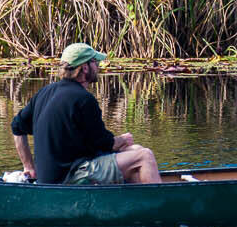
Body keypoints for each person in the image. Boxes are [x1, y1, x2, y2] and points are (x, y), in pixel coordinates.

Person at [9, 43, 161, 185]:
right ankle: (158, 207)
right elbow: (104, 144)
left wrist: (29, 167)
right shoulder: (84, 99)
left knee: (136, 150)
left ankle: (136, 204)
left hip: (50, 176)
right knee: (144, 156)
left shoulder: (44, 92)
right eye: (95, 62)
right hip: (70, 175)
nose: (98, 66)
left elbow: (17, 127)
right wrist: (122, 139)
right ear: (85, 68)